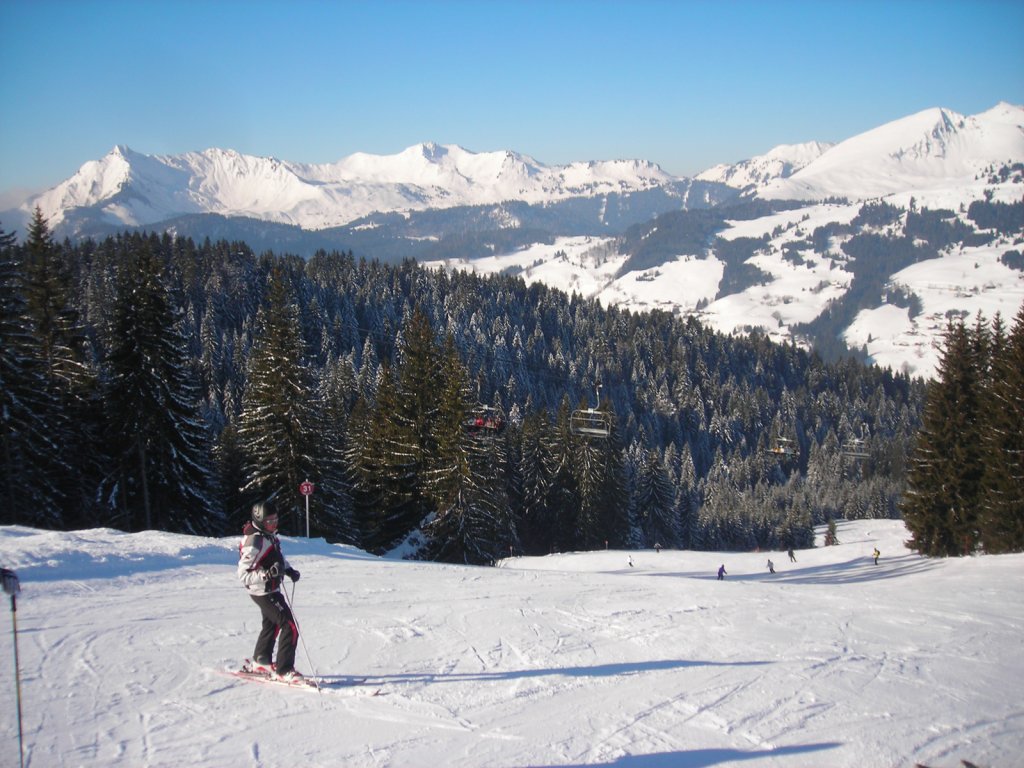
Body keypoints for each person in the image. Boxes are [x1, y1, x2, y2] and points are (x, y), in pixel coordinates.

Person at [238, 502, 302, 680]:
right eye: (269, 521)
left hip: (270, 589)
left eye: (275, 520)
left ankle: (261, 660)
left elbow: (276, 557)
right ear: (259, 521)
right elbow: (244, 575)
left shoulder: (268, 536)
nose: (273, 525)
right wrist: (267, 575)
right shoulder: (254, 542)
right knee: (290, 627)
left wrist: (288, 570)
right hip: (263, 592)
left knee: (271, 624)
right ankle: (284, 670)